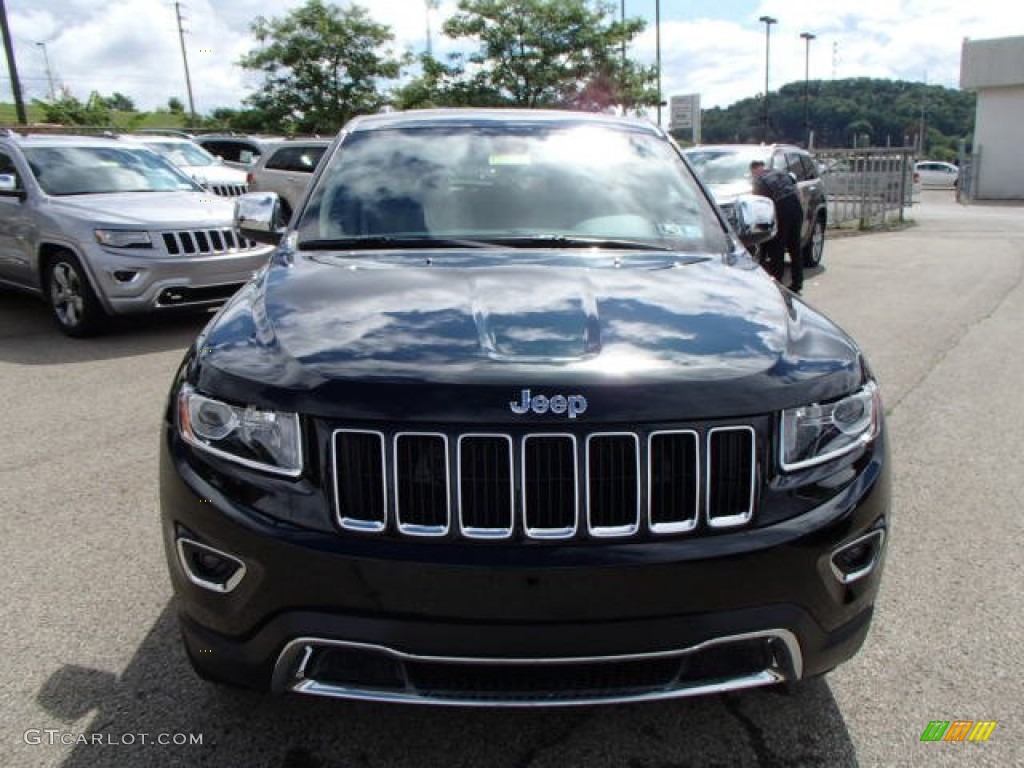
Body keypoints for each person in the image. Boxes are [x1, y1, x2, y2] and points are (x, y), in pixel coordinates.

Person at [749, 160, 804, 293]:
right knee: (795, 247)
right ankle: (797, 283)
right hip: (796, 208)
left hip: (781, 210)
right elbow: (798, 193)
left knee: (777, 248)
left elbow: (759, 204)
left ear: (754, 170)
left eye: (752, 174)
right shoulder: (781, 173)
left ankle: (776, 285)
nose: (753, 176)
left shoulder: (760, 181)